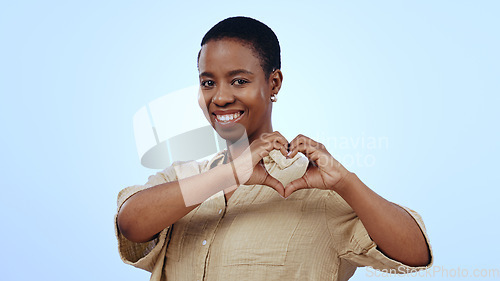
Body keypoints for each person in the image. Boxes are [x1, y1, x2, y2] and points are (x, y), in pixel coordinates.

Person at [115, 16, 433, 281]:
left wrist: (347, 183)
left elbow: (415, 254)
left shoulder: (314, 187)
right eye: (208, 82)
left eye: (239, 81)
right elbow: (131, 223)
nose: (220, 97)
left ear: (274, 84)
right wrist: (230, 175)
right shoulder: (184, 177)